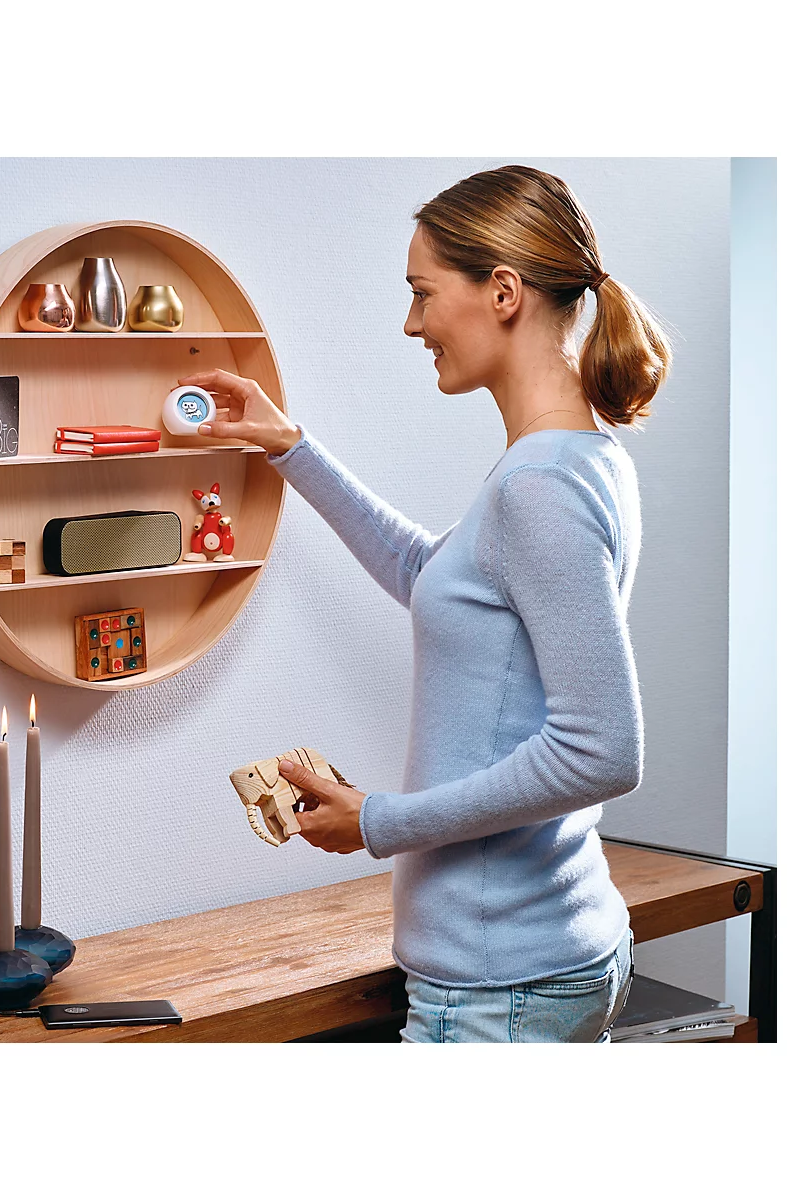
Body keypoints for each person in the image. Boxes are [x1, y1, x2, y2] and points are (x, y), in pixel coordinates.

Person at [179, 164, 671, 1043]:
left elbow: (604, 750)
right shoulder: (574, 462)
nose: (412, 324)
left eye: (422, 293)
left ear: (505, 292)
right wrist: (289, 445)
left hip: (498, 981)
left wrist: (380, 821)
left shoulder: (540, 489)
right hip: (538, 955)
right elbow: (429, 573)